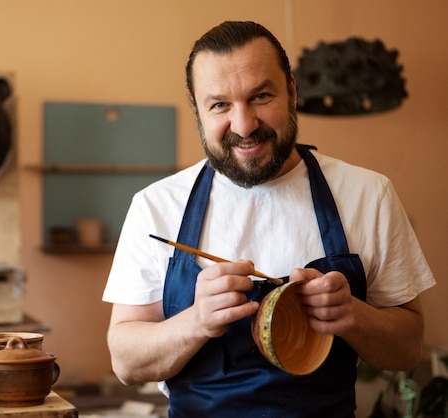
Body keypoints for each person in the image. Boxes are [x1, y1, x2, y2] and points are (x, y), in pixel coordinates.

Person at [102, 20, 436, 417]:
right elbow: (125, 362)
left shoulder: (368, 194)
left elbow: (408, 347)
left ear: (292, 90)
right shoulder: (156, 206)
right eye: (220, 104)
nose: (244, 126)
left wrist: (352, 315)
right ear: (198, 108)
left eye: (260, 96)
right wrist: (195, 322)